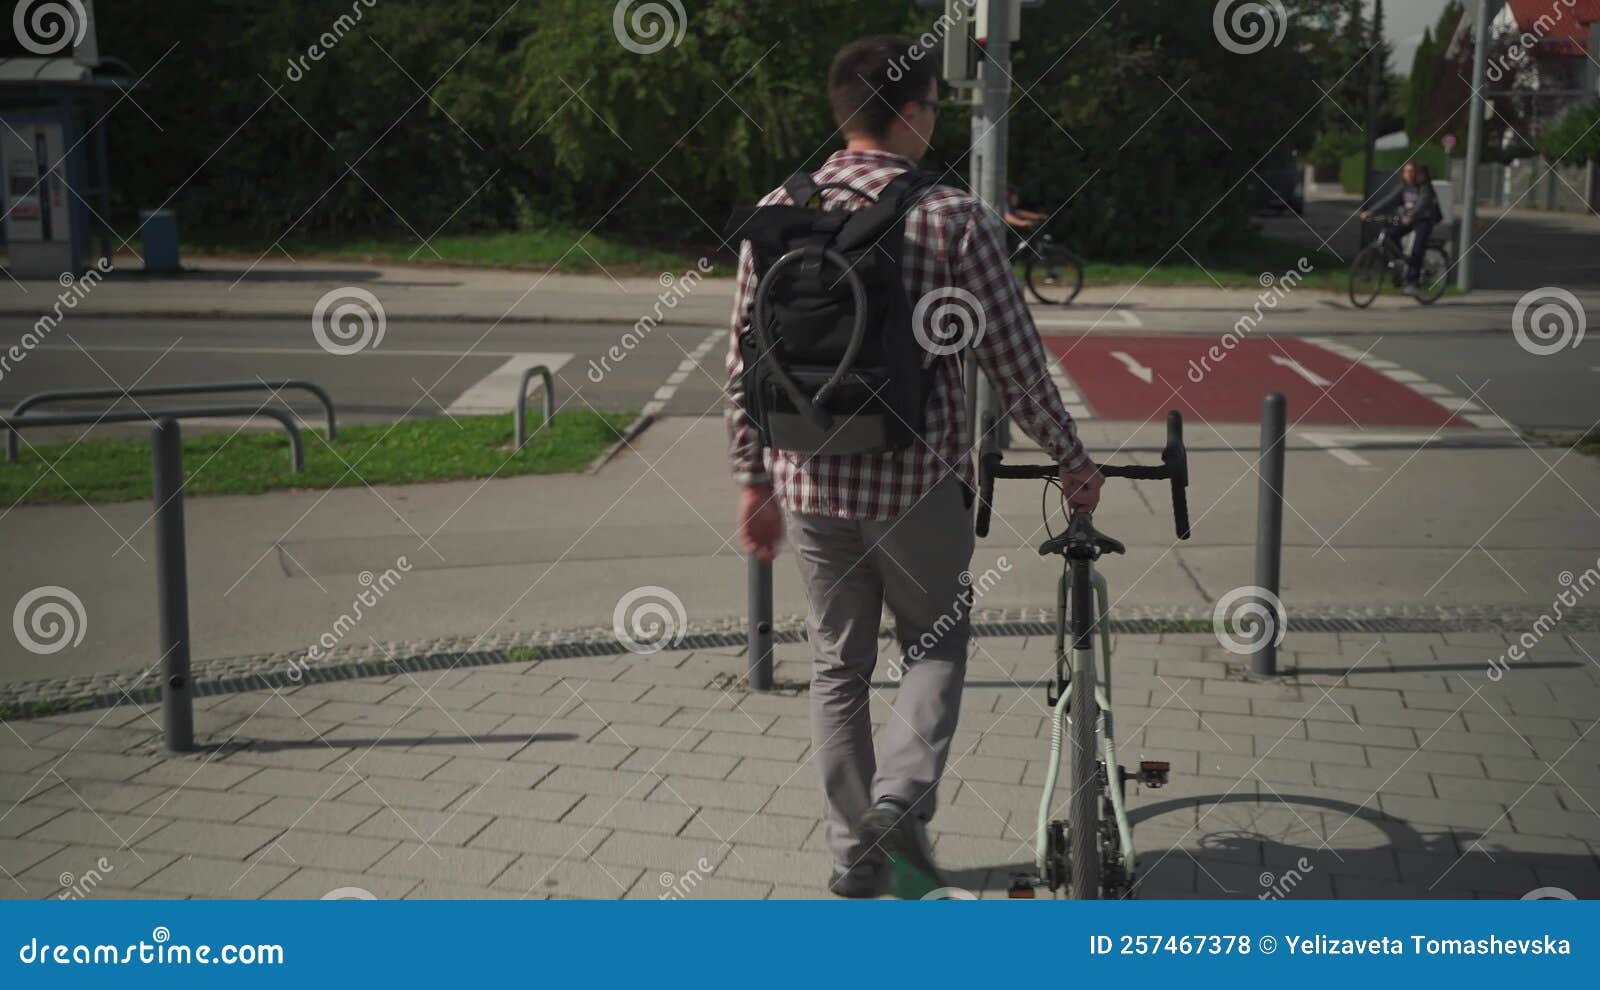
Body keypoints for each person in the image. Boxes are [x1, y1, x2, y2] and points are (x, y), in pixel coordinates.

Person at [725, 35, 1101, 899]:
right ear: (912, 112)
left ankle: (853, 854)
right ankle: (900, 802)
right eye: (933, 105)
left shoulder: (777, 207)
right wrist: (1072, 462)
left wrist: (752, 481)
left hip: (807, 481)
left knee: (836, 664)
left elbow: (742, 361)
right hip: (915, 484)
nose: (937, 119)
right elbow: (1015, 364)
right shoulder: (951, 217)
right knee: (934, 645)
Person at [1360, 161, 1443, 296]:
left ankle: (1413, 283)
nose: (1407, 174)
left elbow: (1422, 203)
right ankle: (1401, 262)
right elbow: (1389, 200)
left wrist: (1411, 215)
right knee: (1390, 235)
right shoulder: (1403, 187)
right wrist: (1371, 211)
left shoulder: (1425, 187)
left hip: (1425, 219)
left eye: (1411, 171)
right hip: (1408, 219)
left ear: (1417, 173)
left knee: (1417, 248)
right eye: (1405, 171)